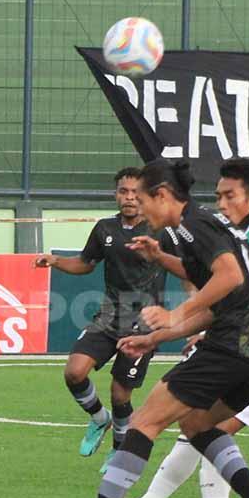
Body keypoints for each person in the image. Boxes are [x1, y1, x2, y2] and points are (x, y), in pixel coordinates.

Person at [42, 158, 249, 498]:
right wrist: (158, 332)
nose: (138, 208)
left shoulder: (194, 224)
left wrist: (174, 315)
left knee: (144, 421)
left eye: (142, 199)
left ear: (161, 195)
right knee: (197, 423)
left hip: (236, 343)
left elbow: (229, 278)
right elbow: (222, 296)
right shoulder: (191, 230)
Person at [112, 161, 249, 498]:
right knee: (198, 427)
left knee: (201, 428)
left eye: (230, 195)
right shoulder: (239, 233)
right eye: (217, 195)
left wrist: (194, 325)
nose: (222, 203)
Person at [33, 168, 175, 469]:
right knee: (74, 372)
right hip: (108, 316)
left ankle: (120, 449)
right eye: (124, 191)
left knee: (119, 391)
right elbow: (86, 264)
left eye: (136, 192)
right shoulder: (104, 229)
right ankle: (99, 419)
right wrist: (56, 260)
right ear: (116, 195)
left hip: (145, 322)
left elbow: (186, 265)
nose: (130, 197)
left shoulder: (160, 230)